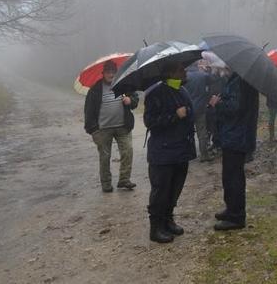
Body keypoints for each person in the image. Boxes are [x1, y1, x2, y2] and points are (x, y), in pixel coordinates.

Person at [143, 61, 196, 243]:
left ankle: (168, 219)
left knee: (175, 189)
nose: (184, 71)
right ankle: (156, 227)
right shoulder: (155, 93)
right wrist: (174, 116)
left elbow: (190, 115)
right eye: (181, 69)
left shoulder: (183, 90)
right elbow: (150, 122)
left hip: (181, 151)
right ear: (171, 73)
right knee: (161, 190)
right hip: (163, 153)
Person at [210, 67, 259, 231]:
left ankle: (236, 216)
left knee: (234, 178)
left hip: (237, 136)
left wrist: (219, 103)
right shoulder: (240, 79)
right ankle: (231, 209)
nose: (223, 67)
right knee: (229, 176)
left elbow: (234, 107)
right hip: (235, 135)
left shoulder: (240, 81)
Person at [83, 60, 139, 193]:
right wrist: (93, 130)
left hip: (123, 126)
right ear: (103, 73)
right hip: (103, 129)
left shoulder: (124, 84)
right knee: (104, 157)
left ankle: (124, 179)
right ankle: (106, 183)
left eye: (113, 72)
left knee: (128, 151)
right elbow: (88, 110)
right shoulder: (95, 89)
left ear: (116, 72)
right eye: (108, 72)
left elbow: (135, 100)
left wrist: (130, 100)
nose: (111, 74)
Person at [185, 60, 214, 162]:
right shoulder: (203, 75)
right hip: (200, 108)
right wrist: (207, 70)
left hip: (187, 109)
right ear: (197, 64)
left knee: (187, 132)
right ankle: (204, 155)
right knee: (202, 133)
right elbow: (212, 80)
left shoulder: (184, 76)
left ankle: (188, 155)